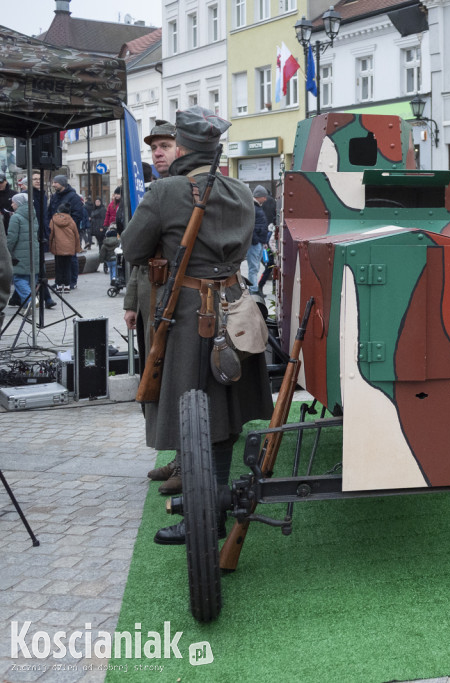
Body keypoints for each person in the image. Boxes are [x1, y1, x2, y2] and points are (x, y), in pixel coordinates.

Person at [121, 105, 273, 545]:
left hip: (189, 315)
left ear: (183, 146)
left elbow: (133, 249)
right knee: (223, 414)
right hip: (232, 306)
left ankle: (204, 517)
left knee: (195, 413)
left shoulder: (166, 191)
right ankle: (213, 502)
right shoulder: (242, 192)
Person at [128, 121, 178, 490]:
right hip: (150, 299)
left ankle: (184, 460)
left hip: (176, 300)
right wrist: (132, 302)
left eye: (164, 145)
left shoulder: (181, 189)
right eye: (153, 147)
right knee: (156, 377)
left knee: (176, 378)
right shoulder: (155, 189)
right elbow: (137, 256)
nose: (157, 152)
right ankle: (175, 454)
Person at [45, 175, 85, 293]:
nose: (53, 184)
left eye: (56, 182)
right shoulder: (54, 196)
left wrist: (68, 225)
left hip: (68, 233)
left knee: (70, 257)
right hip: (56, 232)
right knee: (58, 260)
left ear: (62, 183)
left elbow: (78, 214)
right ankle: (59, 282)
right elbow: (49, 212)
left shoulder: (73, 197)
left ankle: (71, 281)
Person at [30, 172, 56, 309]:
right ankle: (47, 298)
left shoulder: (43, 195)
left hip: (42, 236)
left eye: (39, 179)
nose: (37, 181)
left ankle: (46, 298)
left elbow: (45, 215)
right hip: (32, 236)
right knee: (39, 269)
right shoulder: (28, 196)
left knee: (40, 268)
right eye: (34, 179)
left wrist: (46, 232)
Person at [6, 193, 32, 309]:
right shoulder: (33, 214)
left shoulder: (15, 217)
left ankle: (30, 302)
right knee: (30, 279)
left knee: (19, 279)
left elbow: (11, 238)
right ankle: (27, 304)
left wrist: (7, 250)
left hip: (19, 252)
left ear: (19, 203)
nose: (11, 204)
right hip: (32, 251)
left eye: (13, 202)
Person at [247, 186, 271, 293]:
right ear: (259, 196)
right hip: (255, 243)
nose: (266, 199)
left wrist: (263, 241)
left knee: (255, 268)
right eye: (264, 197)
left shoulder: (255, 207)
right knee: (254, 268)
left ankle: (254, 289)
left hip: (259, 242)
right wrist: (256, 240)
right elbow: (249, 226)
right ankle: (253, 290)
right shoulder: (254, 207)